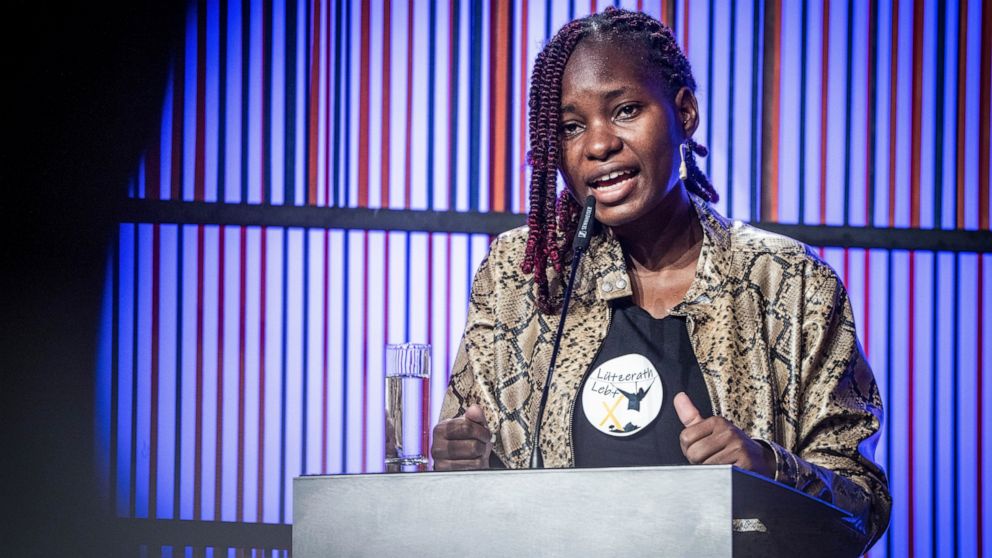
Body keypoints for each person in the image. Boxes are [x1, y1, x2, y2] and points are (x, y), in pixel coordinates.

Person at [430, 7, 890, 550]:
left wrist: (768, 467)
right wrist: (461, 466)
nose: (597, 145)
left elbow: (862, 507)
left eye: (625, 110)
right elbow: (464, 495)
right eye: (572, 126)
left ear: (685, 112)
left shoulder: (788, 282)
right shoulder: (522, 276)